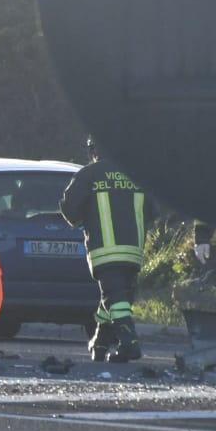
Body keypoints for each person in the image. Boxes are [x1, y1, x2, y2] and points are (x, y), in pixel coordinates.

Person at [60, 136, 148, 362]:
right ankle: (100, 342)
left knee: (115, 297)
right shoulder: (138, 174)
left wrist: (84, 220)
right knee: (115, 296)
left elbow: (69, 208)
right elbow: (153, 211)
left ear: (93, 151)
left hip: (105, 250)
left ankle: (130, 343)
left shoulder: (89, 175)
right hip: (134, 249)